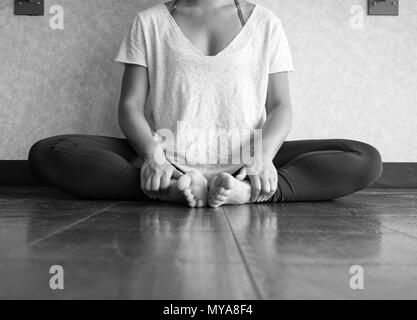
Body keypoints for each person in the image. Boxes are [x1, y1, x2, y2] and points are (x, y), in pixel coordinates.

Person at [29, 0, 383, 208]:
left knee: (364, 159)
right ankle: (168, 189)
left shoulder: (265, 22)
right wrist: (154, 157)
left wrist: (262, 158)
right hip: (171, 163)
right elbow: (130, 107)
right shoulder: (150, 22)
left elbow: (280, 107)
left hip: (248, 161)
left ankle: (246, 192)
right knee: (50, 152)